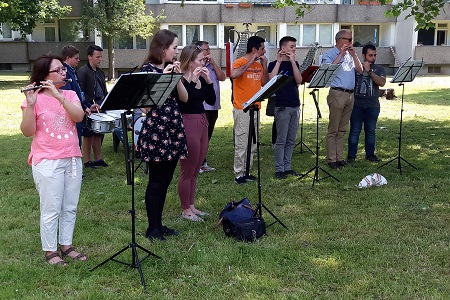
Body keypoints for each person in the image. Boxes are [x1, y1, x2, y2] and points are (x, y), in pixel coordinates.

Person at [20, 55, 87, 266]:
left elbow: (78, 117)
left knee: (70, 206)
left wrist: (59, 96)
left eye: (63, 70)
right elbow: (27, 131)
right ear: (44, 76)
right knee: (51, 208)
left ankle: (66, 245)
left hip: (73, 157)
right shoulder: (34, 98)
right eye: (58, 70)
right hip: (48, 160)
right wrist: (30, 106)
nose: (63, 73)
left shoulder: (69, 93)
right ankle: (50, 250)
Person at [136, 29, 188, 240]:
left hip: (173, 130)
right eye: (174, 48)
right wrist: (162, 79)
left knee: (165, 181)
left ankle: (159, 224)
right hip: (157, 132)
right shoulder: (147, 70)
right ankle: (152, 228)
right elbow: (146, 107)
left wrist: (177, 78)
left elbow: (184, 98)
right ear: (162, 48)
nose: (176, 52)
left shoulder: (171, 69)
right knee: (156, 182)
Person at [177, 45, 216, 221]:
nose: (203, 63)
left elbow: (211, 100)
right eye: (200, 60)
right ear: (190, 61)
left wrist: (208, 81)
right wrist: (193, 79)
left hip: (202, 122)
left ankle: (192, 205)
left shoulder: (201, 77)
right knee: (187, 168)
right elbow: (186, 100)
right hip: (188, 122)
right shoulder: (181, 80)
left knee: (196, 168)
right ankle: (185, 209)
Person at [321, 30, 363, 169]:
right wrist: (340, 54)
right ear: (340, 40)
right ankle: (331, 159)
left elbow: (360, 70)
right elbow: (329, 69)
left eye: (351, 39)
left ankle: (340, 158)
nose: (350, 42)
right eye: (348, 39)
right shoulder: (329, 54)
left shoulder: (351, 55)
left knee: (342, 129)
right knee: (333, 129)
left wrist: (354, 54)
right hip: (337, 93)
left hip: (350, 95)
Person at [230, 35, 269, 184]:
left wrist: (264, 67)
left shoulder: (259, 66)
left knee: (253, 142)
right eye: (262, 48)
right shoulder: (239, 62)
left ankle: (248, 171)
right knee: (242, 141)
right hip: (242, 108)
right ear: (254, 50)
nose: (264, 51)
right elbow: (233, 75)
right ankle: (239, 174)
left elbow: (264, 83)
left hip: (256, 107)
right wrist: (250, 62)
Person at [268, 36, 303, 179]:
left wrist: (293, 63)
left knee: (291, 140)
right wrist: (279, 61)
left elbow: (299, 80)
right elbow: (270, 80)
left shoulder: (295, 64)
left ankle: (287, 167)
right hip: (282, 106)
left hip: (295, 105)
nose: (294, 49)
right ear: (283, 48)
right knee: (281, 140)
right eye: (292, 46)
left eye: (295, 46)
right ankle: (279, 169)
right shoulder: (273, 64)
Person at [347, 44, 386, 163]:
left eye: (374, 55)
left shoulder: (379, 69)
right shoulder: (356, 67)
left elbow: (382, 82)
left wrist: (369, 71)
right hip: (357, 104)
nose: (373, 58)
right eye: (370, 55)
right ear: (363, 55)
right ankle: (351, 156)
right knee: (355, 130)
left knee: (370, 130)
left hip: (372, 105)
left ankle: (370, 154)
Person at [194, 41, 226, 173]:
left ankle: (203, 161)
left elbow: (222, 77)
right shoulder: (196, 65)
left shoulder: (211, 65)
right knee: (200, 136)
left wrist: (213, 64)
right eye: (206, 50)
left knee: (207, 136)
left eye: (208, 50)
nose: (208, 52)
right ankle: (197, 163)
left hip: (214, 105)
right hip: (203, 106)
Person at [78, 45, 109, 168]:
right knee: (88, 134)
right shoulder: (83, 72)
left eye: (101, 57)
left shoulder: (100, 72)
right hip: (89, 107)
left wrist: (105, 103)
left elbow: (103, 90)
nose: (100, 59)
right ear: (89, 57)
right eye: (97, 57)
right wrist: (89, 105)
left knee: (98, 133)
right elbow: (80, 91)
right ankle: (87, 161)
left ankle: (98, 159)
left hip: (100, 106)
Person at [60, 45, 91, 148]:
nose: (79, 60)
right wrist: (82, 107)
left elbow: (79, 93)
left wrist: (87, 106)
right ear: (68, 58)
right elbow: (69, 95)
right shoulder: (65, 73)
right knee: (75, 143)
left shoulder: (72, 71)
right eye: (76, 58)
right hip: (72, 113)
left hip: (78, 108)